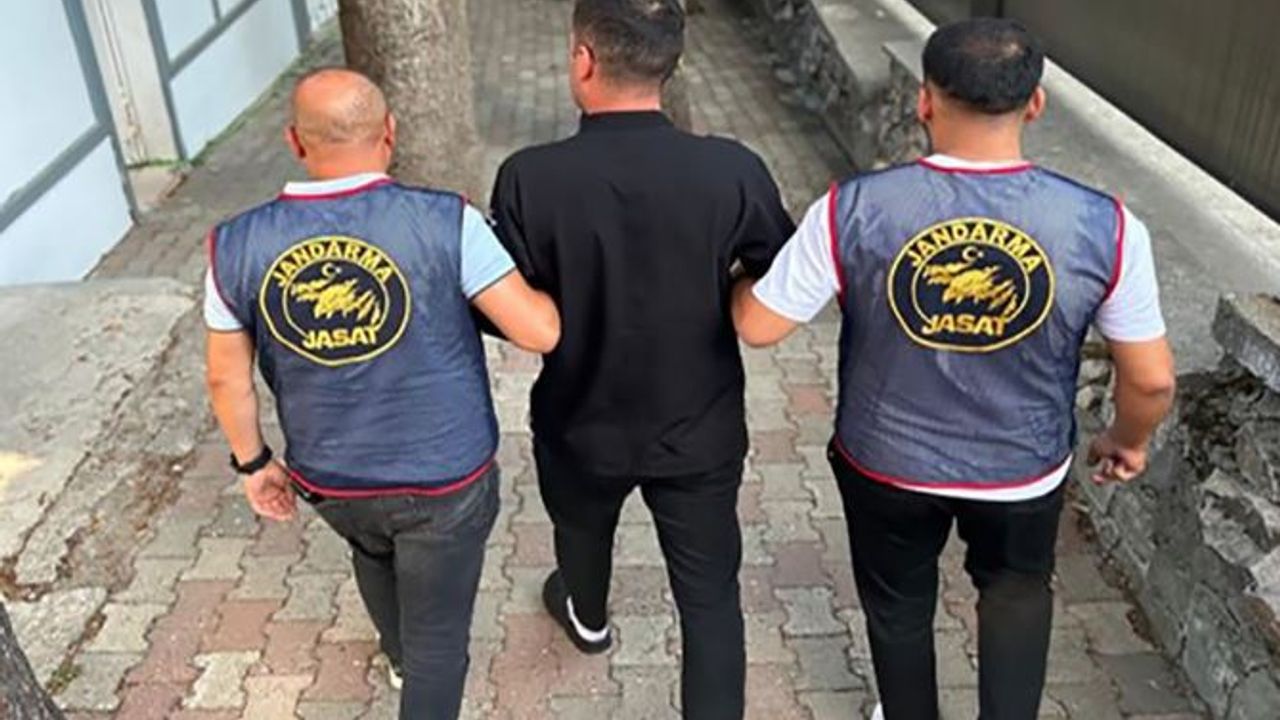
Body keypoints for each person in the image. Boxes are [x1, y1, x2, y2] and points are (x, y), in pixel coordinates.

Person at [732, 18, 1176, 720]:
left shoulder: (852, 208)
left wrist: (734, 276)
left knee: (898, 607)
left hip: (886, 462)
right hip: (1022, 468)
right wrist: (1129, 440)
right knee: (1016, 595)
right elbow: (1150, 379)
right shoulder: (1107, 226)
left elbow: (758, 326)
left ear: (923, 100)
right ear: (1036, 104)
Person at [203, 68, 560, 720]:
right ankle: (414, 662)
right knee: (439, 647)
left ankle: (397, 654)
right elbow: (537, 332)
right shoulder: (447, 221)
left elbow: (226, 377)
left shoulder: (234, 244)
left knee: (372, 548)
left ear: (294, 141)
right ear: (390, 132)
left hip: (332, 475)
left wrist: (254, 464)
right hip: (445, 475)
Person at [488, 1, 795, 716]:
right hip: (700, 428)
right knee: (710, 599)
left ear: (584, 60)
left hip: (578, 423)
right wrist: (726, 284)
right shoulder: (732, 169)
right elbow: (780, 277)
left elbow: (508, 305)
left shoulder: (529, 177)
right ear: (670, 62)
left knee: (581, 534)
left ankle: (588, 619)